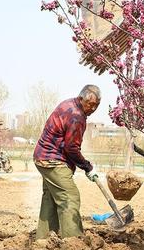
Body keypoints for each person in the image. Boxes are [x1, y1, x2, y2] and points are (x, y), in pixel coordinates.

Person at [33, 85, 101, 239]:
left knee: (50, 198)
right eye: (90, 104)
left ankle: (44, 239)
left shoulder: (69, 104)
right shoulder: (76, 116)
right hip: (53, 160)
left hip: (42, 157)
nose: (93, 108)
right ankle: (73, 242)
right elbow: (71, 148)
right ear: (81, 98)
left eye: (97, 105)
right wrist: (87, 167)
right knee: (69, 197)